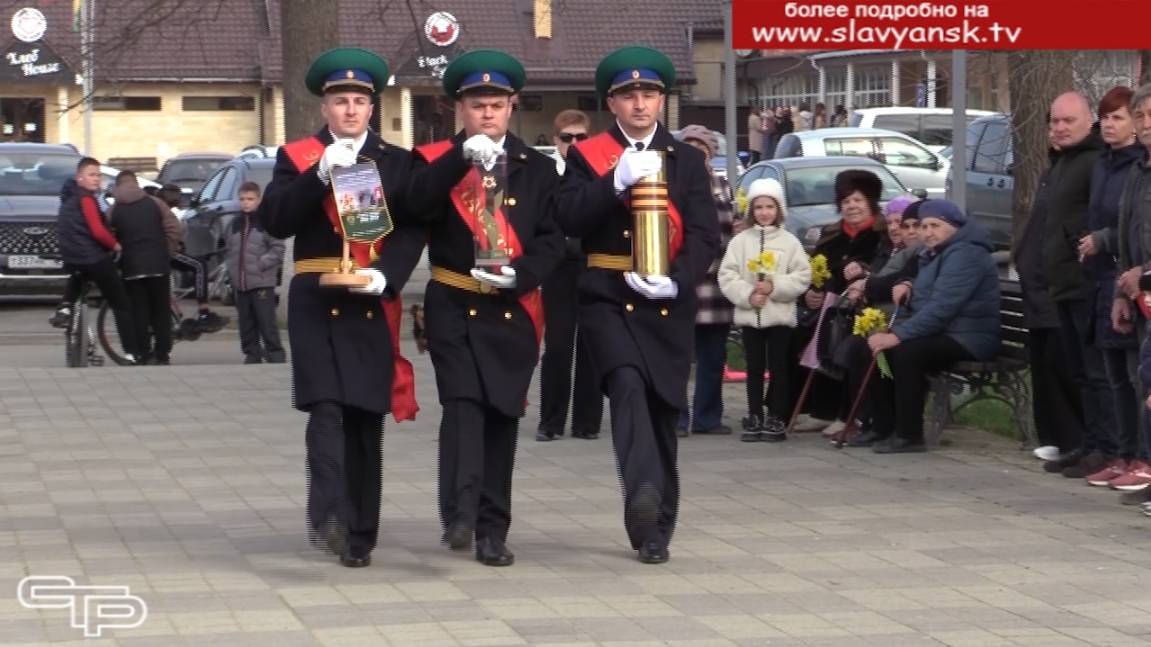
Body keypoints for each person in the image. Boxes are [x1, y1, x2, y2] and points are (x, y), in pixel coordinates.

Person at [259, 47, 426, 568]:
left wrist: (389, 274)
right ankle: (329, 515)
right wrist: (317, 177)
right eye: (339, 101)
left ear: (372, 108)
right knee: (325, 408)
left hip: (369, 299)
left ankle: (361, 530)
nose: (350, 110)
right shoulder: (298, 156)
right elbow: (275, 220)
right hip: (316, 297)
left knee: (363, 416)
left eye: (359, 101)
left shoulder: (397, 162)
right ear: (324, 108)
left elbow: (415, 224)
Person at [556, 46, 719, 564]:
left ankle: (657, 526)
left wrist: (677, 281)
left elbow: (704, 234)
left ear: (661, 101)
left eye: (649, 94)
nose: (641, 104)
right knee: (626, 385)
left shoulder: (688, 161)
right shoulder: (588, 156)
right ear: (613, 102)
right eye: (629, 96)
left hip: (666, 302)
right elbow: (568, 218)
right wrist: (615, 182)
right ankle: (642, 496)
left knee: (662, 407)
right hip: (607, 292)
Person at [408, 49, 564, 567]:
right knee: (462, 407)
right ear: (461, 108)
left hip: (511, 308)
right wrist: (460, 160)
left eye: (497, 104)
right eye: (478, 105)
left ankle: (493, 528)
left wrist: (523, 275)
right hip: (453, 301)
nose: (488, 114)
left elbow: (551, 239)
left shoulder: (537, 167)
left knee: (501, 416)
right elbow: (417, 206)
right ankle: (459, 513)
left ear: (512, 105)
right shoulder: (433, 160)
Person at [865, 200, 1000, 453]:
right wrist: (908, 286)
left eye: (935, 225)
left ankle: (909, 434)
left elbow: (943, 307)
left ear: (954, 226)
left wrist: (898, 335)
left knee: (907, 352)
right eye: (924, 226)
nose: (927, 232)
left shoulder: (966, 253)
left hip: (970, 337)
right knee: (880, 348)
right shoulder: (936, 253)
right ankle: (883, 427)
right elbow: (926, 299)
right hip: (946, 331)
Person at [1037, 91, 1113, 479]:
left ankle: (1109, 447)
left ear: (1089, 122)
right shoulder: (1061, 162)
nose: (1061, 128)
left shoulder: (1095, 162)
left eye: (1069, 121)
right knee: (1080, 371)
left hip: (1088, 282)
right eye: (1055, 122)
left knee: (1098, 371)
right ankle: (1091, 441)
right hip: (1062, 282)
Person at [1075, 87, 1146, 489]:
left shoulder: (1138, 166)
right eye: (1105, 117)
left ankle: (1140, 453)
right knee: (1113, 373)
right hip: (1104, 279)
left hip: (1130, 275)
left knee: (1135, 374)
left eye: (1117, 117)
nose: (1109, 124)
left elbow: (1133, 227)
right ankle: (1121, 452)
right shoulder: (1105, 164)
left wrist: (1104, 239)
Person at [790, 170, 889, 436]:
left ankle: (847, 414)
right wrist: (810, 293)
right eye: (846, 201)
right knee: (798, 333)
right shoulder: (831, 235)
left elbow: (884, 271)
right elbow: (814, 272)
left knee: (841, 337)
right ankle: (818, 410)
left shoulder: (882, 235)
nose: (851, 206)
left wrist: (863, 273)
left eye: (858, 200)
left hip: (863, 310)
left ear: (871, 202)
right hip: (827, 308)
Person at [718, 178, 811, 442]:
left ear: (779, 209)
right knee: (755, 368)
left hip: (779, 317)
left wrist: (775, 287)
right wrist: (748, 295)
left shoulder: (790, 242)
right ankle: (754, 414)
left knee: (779, 368)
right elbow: (727, 275)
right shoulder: (740, 242)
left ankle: (776, 416)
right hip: (750, 317)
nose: (764, 212)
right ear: (751, 211)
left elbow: (802, 276)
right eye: (758, 207)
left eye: (770, 206)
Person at [538, 109, 603, 441]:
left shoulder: (600, 175)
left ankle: (587, 423)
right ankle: (550, 422)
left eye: (581, 137)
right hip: (558, 269)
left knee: (591, 346)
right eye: (567, 138)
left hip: (592, 265)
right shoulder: (546, 175)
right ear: (556, 141)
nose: (574, 144)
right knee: (558, 346)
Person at [674, 125, 735, 438]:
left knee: (713, 357)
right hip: (686, 280)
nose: (697, 152)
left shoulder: (723, 184)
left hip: (719, 284)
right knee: (680, 356)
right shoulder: (674, 184)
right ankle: (677, 418)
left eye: (703, 148)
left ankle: (708, 417)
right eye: (691, 146)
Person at [52, 157, 139, 363]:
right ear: (79, 177)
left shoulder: (68, 199)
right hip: (93, 258)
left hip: (71, 256)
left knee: (77, 275)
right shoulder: (87, 199)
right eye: (92, 175)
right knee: (121, 303)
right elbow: (98, 231)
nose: (96, 179)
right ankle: (132, 352)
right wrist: (115, 245)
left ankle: (65, 307)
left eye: (99, 175)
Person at [1114, 83, 1151, 502]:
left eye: (1149, 115)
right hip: (1137, 293)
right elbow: (1128, 236)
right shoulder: (1136, 172)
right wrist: (1120, 294)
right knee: (1143, 380)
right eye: (1139, 116)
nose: (1144, 124)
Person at [107, 170, 181, 365]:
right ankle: (163, 354)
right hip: (158, 265)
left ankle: (143, 353)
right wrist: (167, 251)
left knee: (138, 312)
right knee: (161, 312)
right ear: (136, 183)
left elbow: (107, 236)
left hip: (132, 269)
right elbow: (174, 228)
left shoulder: (114, 209)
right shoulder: (156, 203)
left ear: (118, 186)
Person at [226, 181, 285, 364]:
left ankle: (275, 353)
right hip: (240, 283)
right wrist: (231, 272)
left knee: (266, 321)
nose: (246, 202)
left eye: (250, 199)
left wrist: (261, 264)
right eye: (242, 199)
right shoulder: (235, 223)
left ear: (258, 199)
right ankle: (252, 353)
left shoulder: (266, 221)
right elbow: (230, 249)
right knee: (246, 322)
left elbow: (278, 249)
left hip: (261, 282)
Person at [156, 183, 228, 334]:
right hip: (165, 253)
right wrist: (176, 246)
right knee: (199, 266)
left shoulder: (162, 209)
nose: (180, 199)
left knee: (198, 263)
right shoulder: (162, 210)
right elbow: (170, 234)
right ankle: (204, 313)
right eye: (177, 196)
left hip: (164, 252)